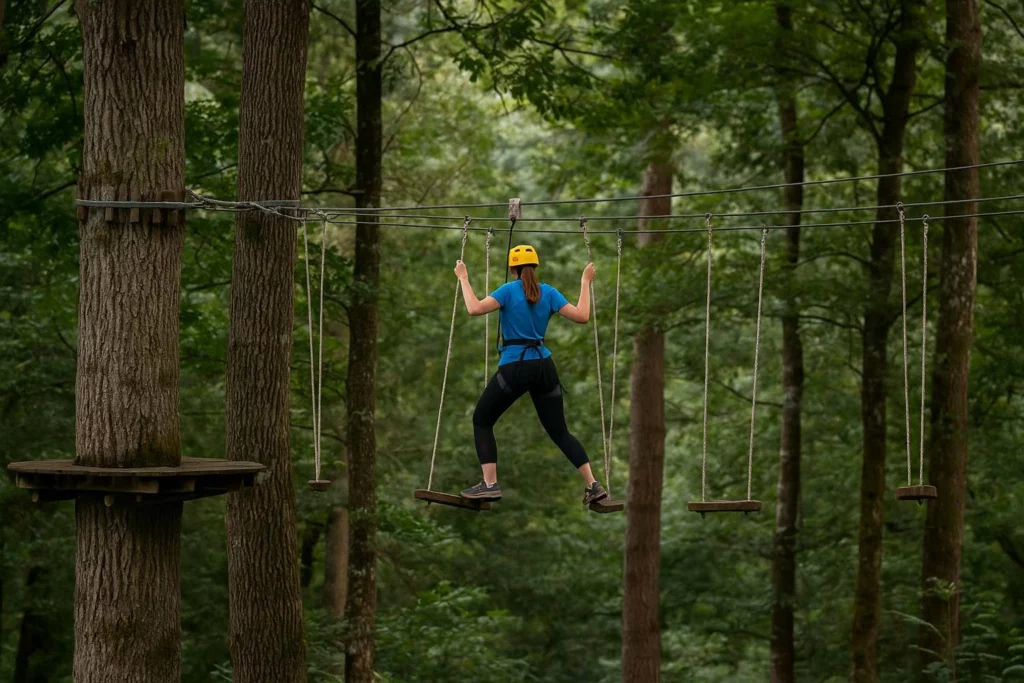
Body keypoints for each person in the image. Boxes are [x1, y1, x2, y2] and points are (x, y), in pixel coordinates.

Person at [453, 243, 609, 506]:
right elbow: (582, 316)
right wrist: (585, 281)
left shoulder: (508, 291)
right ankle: (592, 485)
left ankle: (489, 484)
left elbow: (474, 308)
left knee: (482, 419)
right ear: (535, 266)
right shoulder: (548, 292)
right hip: (544, 367)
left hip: (516, 366)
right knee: (559, 431)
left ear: (512, 268)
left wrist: (463, 278)